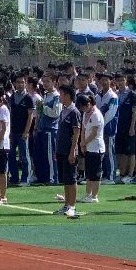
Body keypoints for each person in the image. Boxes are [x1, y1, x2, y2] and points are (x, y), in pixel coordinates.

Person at [52, 85, 81, 219]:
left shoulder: (74, 112)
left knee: (71, 178)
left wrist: (72, 151)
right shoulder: (63, 110)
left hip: (69, 150)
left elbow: (76, 133)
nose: (60, 97)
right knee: (65, 178)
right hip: (61, 149)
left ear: (68, 96)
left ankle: (72, 206)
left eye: (62, 94)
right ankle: (66, 204)